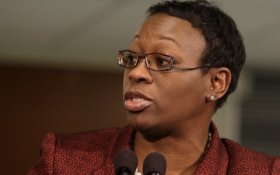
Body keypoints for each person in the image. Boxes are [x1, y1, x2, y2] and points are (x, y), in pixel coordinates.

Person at [28, 0, 280, 174]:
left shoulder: (262, 171)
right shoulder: (64, 160)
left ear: (216, 82)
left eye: (161, 61)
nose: (136, 73)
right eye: (132, 59)